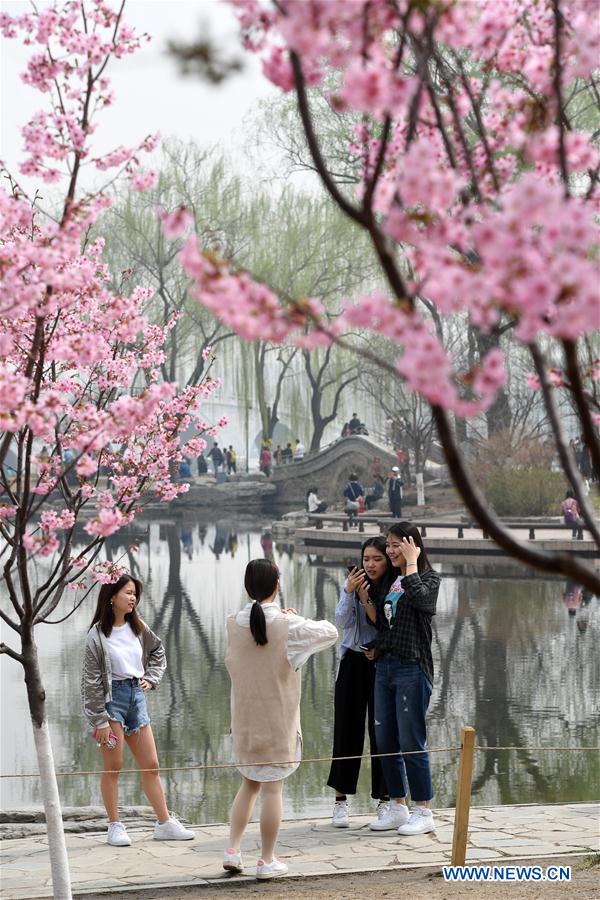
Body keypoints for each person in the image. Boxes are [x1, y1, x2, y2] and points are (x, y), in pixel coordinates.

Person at [223, 559, 337, 879]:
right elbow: (330, 632)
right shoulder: (290, 627)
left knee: (248, 785)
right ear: (277, 584)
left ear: (248, 586)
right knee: (273, 790)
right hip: (277, 722)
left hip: (244, 721)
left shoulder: (233, 622)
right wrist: (294, 617)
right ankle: (266, 860)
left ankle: (232, 849)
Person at [81, 575, 194, 847]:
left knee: (151, 765)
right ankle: (114, 826)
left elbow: (158, 653)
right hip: (111, 703)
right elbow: (90, 682)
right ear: (112, 596)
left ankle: (164, 823)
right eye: (128, 593)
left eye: (135, 594)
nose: (133, 598)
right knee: (114, 766)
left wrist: (152, 678)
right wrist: (100, 721)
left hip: (137, 698)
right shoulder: (96, 636)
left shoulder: (139, 627)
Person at [364, 522, 441, 836]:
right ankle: (398, 806)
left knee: (411, 741)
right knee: (385, 740)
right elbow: (387, 626)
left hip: (412, 668)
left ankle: (423, 810)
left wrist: (411, 563)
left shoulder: (428, 578)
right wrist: (377, 648)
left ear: (413, 545)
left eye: (397, 545)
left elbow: (424, 603)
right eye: (389, 544)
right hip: (386, 668)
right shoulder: (391, 582)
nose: (391, 550)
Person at [327, 537, 392, 828]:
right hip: (353, 662)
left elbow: (382, 623)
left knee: (381, 734)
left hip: (380, 663)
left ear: (387, 560)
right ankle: (341, 802)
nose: (370, 564)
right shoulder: (351, 585)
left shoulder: (392, 587)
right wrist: (347, 591)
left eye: (377, 558)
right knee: (346, 731)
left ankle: (385, 800)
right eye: (366, 559)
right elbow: (341, 621)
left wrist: (366, 598)